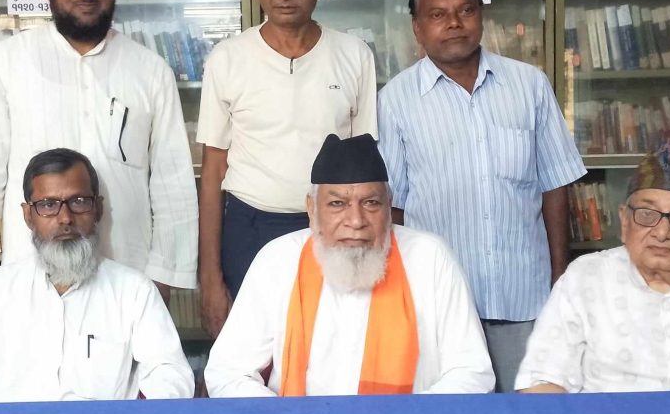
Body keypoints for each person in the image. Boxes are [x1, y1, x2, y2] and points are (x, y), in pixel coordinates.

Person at [0, 0, 198, 299]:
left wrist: (164, 277)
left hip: (127, 278)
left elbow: (172, 182)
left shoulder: (150, 70)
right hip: (29, 280)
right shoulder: (5, 63)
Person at [377, 0, 586, 393]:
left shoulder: (529, 85)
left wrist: (559, 276)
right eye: (437, 14)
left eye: (465, 10)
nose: (454, 23)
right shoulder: (395, 100)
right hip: (438, 302)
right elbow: (393, 207)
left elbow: (555, 185)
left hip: (524, 296)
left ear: (481, 15)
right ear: (417, 27)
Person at [205, 134, 493, 397]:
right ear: (311, 208)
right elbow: (228, 372)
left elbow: (472, 372)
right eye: (337, 204)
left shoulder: (430, 259)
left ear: (389, 206)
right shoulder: (277, 261)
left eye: (370, 203)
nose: (356, 221)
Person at [0, 149, 193, 403]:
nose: (65, 218)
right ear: (28, 216)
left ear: (98, 209)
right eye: (48, 205)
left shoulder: (134, 291)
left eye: (78, 201)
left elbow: (169, 374)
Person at [197, 0, 378, 337]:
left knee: (332, 342)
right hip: (249, 227)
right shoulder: (227, 59)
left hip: (333, 229)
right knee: (257, 351)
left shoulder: (354, 55)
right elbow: (212, 172)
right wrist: (210, 276)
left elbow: (365, 169)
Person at [516, 131, 670, 393]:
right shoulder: (586, 278)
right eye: (646, 214)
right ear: (624, 221)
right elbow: (541, 381)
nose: (662, 232)